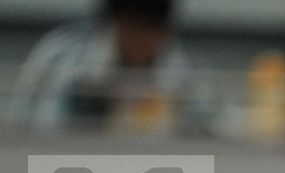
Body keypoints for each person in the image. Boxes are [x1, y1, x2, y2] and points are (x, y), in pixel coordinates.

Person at [8, 0, 212, 135]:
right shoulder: (61, 57)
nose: (140, 41)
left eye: (151, 30)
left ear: (166, 31)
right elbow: (29, 127)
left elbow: (209, 134)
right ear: (113, 23)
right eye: (133, 28)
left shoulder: (190, 74)